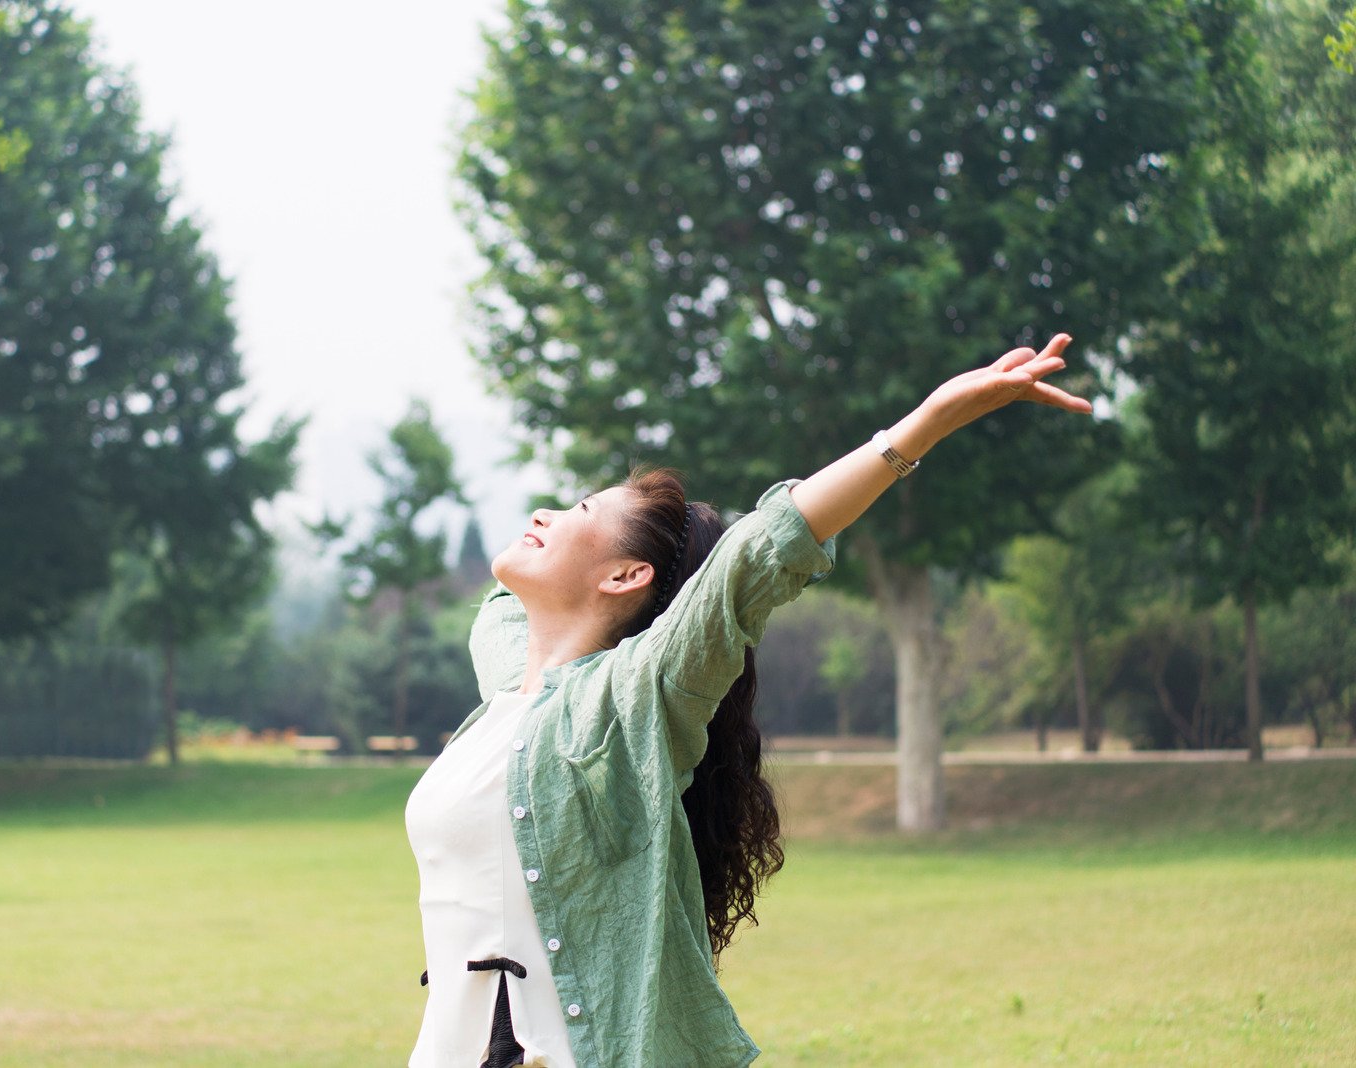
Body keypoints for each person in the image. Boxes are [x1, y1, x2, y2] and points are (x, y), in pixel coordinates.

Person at [405, 334, 1091, 1067]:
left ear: (625, 576)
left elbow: (757, 554)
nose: (542, 512)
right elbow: (505, 608)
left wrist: (921, 425)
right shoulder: (510, 681)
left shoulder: (634, 698)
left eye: (577, 508)